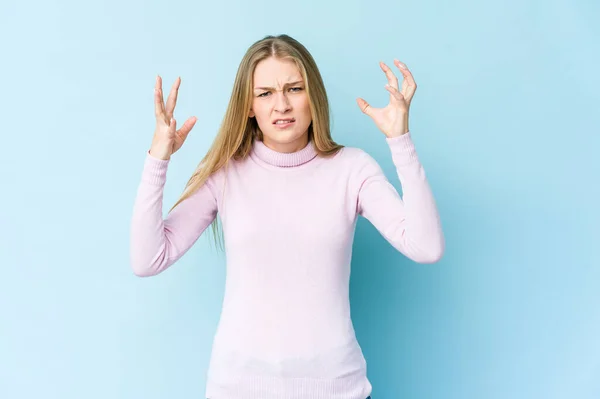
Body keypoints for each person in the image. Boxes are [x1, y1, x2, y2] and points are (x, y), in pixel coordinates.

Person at [130, 34, 444, 399]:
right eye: (265, 93)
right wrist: (158, 158)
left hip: (336, 390)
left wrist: (400, 140)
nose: (281, 105)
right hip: (238, 389)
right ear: (249, 106)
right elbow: (147, 259)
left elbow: (426, 247)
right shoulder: (225, 174)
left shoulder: (352, 169)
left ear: (313, 96)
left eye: (294, 88)